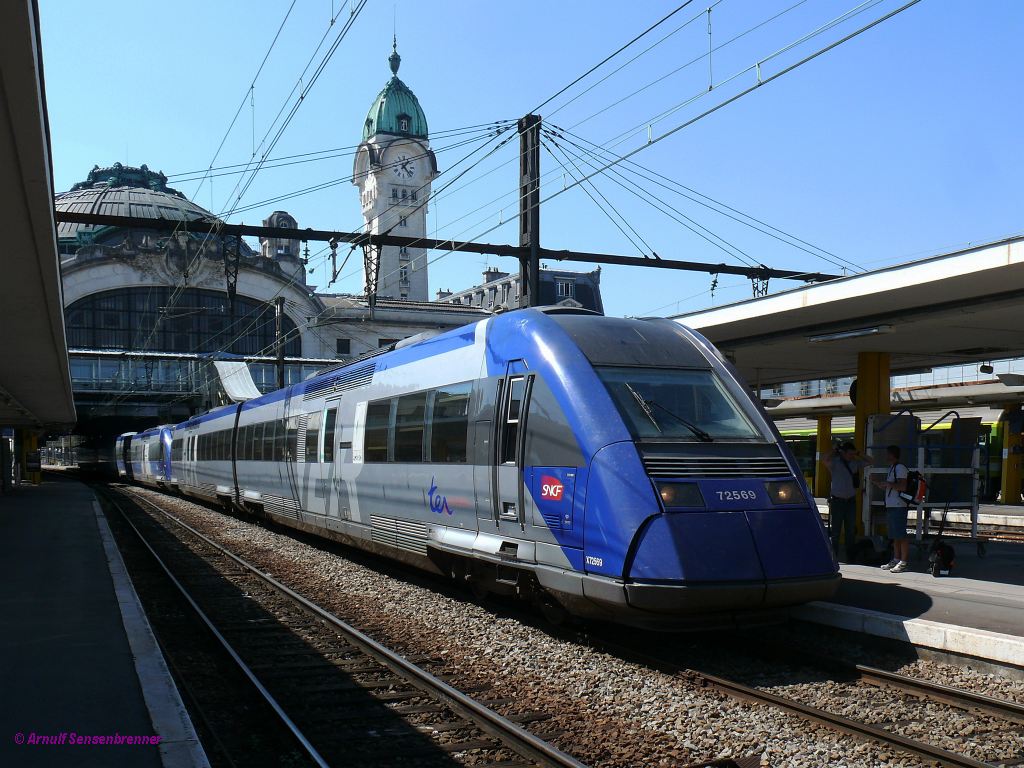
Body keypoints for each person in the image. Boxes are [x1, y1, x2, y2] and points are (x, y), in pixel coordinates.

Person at [820, 441, 870, 562]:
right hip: (837, 501)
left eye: (853, 454)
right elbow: (824, 459)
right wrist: (834, 450)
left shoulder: (855, 463)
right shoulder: (835, 463)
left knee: (850, 531)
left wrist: (858, 453)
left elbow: (871, 461)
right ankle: (833, 557)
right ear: (843, 453)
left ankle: (850, 556)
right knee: (835, 531)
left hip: (851, 501)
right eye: (849, 454)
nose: (851, 456)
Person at [873, 445, 909, 573]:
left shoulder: (900, 468)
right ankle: (896, 558)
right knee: (895, 535)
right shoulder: (892, 468)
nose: (886, 456)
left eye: (887, 454)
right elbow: (893, 486)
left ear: (892, 455)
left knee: (901, 534)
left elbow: (902, 486)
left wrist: (889, 484)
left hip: (899, 505)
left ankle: (903, 561)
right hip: (892, 505)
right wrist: (879, 483)